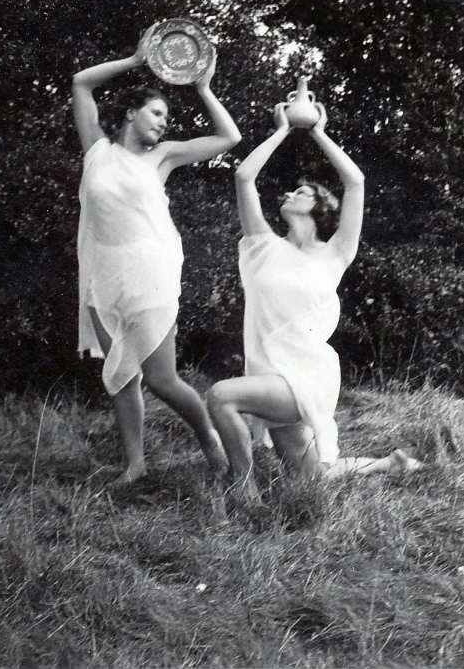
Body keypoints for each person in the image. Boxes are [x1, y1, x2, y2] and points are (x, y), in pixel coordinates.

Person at [207, 97, 420, 499]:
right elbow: (243, 177)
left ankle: (242, 490)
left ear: (320, 207)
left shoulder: (335, 253)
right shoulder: (263, 245)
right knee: (311, 480)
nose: (289, 193)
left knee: (220, 396)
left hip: (307, 376)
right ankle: (388, 464)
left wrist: (318, 130)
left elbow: (355, 182)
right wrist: (282, 129)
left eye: (300, 192)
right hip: (270, 373)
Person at [73, 28, 241, 485]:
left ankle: (208, 434)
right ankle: (135, 465)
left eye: (166, 115)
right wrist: (136, 58)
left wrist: (203, 86)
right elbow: (81, 83)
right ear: (130, 113)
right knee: (120, 377)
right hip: (103, 274)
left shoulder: (163, 157)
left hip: (150, 271)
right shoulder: (97, 150)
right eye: (157, 112)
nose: (164, 122)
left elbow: (229, 137)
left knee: (161, 379)